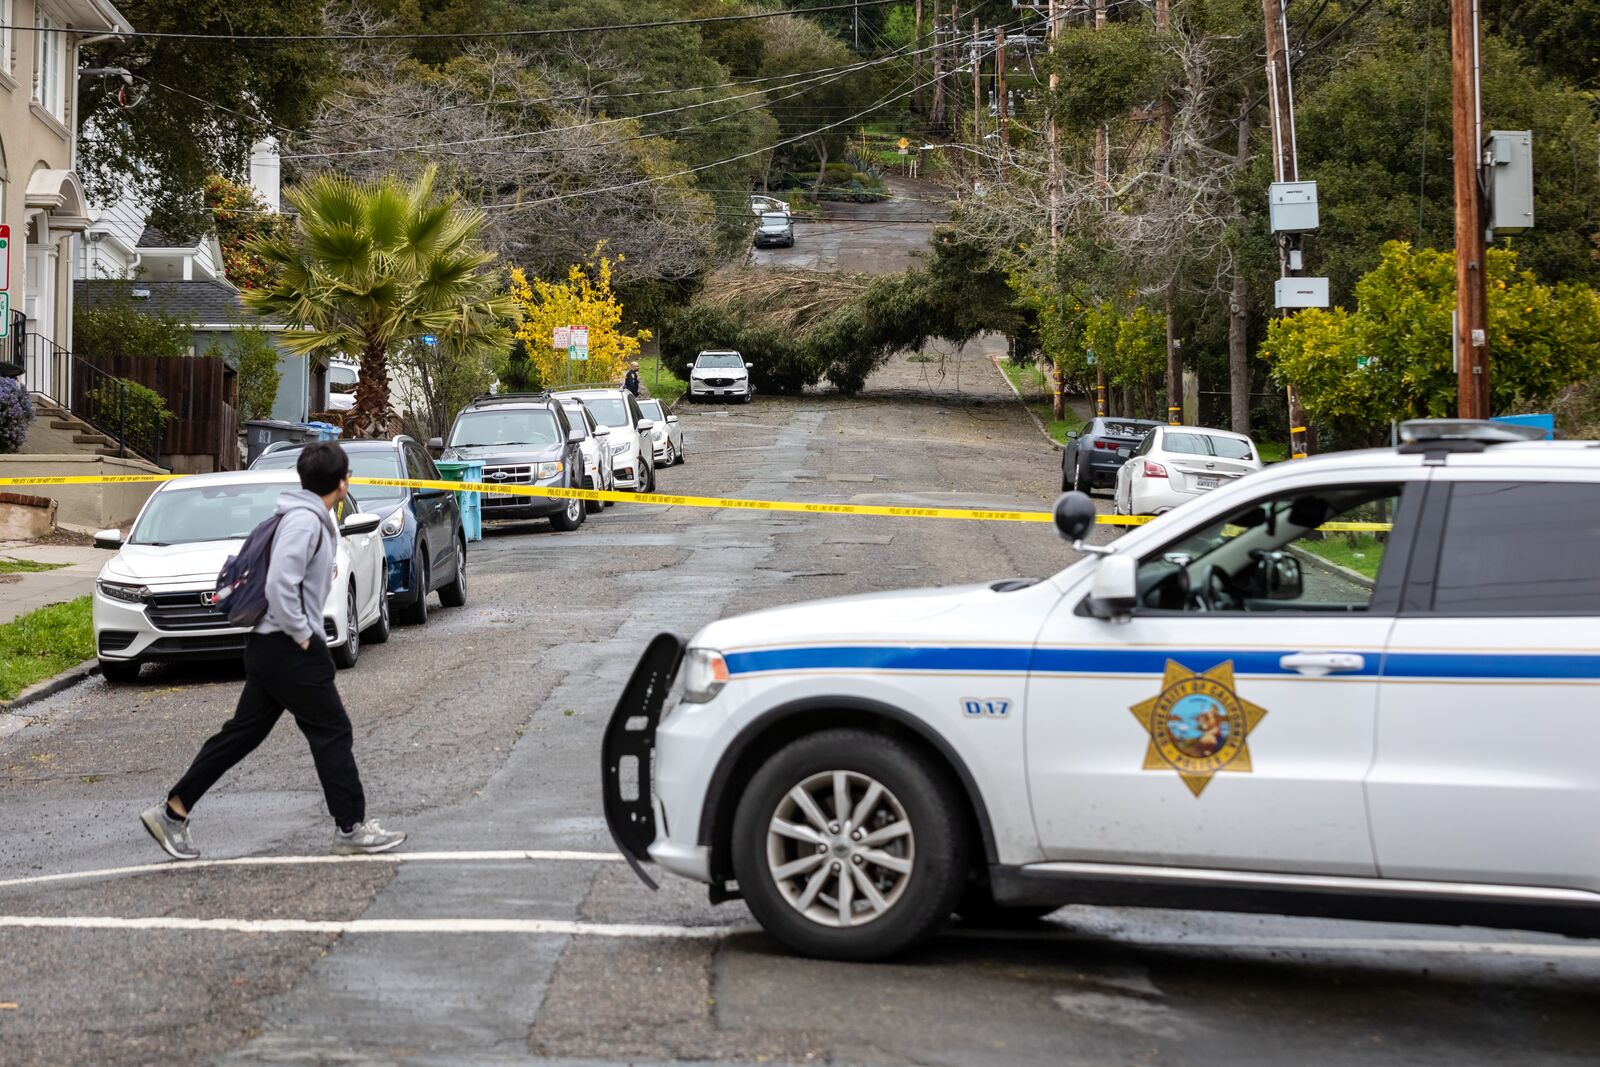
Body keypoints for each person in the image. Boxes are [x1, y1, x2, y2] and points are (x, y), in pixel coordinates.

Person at [140, 442, 406, 860]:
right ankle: (351, 828)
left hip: (270, 646)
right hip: (288, 647)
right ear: (342, 483)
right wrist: (303, 636)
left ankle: (172, 812)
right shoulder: (305, 522)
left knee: (242, 734)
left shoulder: (302, 515)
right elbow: (281, 582)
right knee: (333, 731)